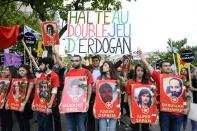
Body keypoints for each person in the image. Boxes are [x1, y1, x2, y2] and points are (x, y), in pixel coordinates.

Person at [138, 48, 189, 131]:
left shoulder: (179, 78)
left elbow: (185, 94)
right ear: (161, 69)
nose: (168, 67)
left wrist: (186, 107)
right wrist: (142, 57)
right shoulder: (159, 77)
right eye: (165, 66)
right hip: (165, 112)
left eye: (169, 66)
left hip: (178, 113)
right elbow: (149, 67)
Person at [64, 55, 93, 131]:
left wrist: (87, 102)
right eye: (73, 61)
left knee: (81, 128)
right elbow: (66, 88)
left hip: (81, 104)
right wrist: (62, 102)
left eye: (76, 61)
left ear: (80, 61)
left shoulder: (87, 72)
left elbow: (90, 87)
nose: (74, 62)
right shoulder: (68, 73)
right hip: (69, 105)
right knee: (70, 128)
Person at [35, 57, 60, 131]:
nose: (40, 66)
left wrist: (49, 106)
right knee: (40, 125)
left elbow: (54, 91)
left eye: (42, 64)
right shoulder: (40, 75)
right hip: (40, 104)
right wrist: (34, 102)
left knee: (47, 126)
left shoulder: (54, 75)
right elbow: (37, 90)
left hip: (49, 105)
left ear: (47, 65)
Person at [94, 61, 119, 131]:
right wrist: (94, 107)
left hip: (114, 108)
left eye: (105, 65)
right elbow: (97, 94)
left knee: (112, 129)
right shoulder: (99, 78)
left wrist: (119, 109)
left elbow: (119, 95)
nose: (103, 67)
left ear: (110, 67)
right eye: (103, 65)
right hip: (101, 108)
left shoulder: (116, 79)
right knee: (102, 129)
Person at [127, 64, 151, 131]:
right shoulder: (130, 82)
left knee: (145, 128)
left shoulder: (148, 82)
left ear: (144, 72)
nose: (140, 72)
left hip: (146, 111)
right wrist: (131, 112)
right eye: (138, 70)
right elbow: (129, 98)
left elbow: (151, 97)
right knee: (135, 128)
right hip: (134, 109)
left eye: (142, 70)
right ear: (135, 71)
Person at [14, 65, 34, 131]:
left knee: (25, 121)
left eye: (23, 70)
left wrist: (23, 104)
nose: (21, 72)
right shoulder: (16, 80)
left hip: (25, 104)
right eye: (20, 70)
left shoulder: (30, 80)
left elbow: (28, 94)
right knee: (19, 121)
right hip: (16, 102)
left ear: (27, 71)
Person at [0, 66, 17, 131]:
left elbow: (12, 92)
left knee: (7, 117)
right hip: (1, 101)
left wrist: (7, 101)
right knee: (2, 118)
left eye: (7, 70)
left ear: (11, 71)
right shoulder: (3, 79)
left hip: (7, 102)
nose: (5, 71)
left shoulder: (14, 80)